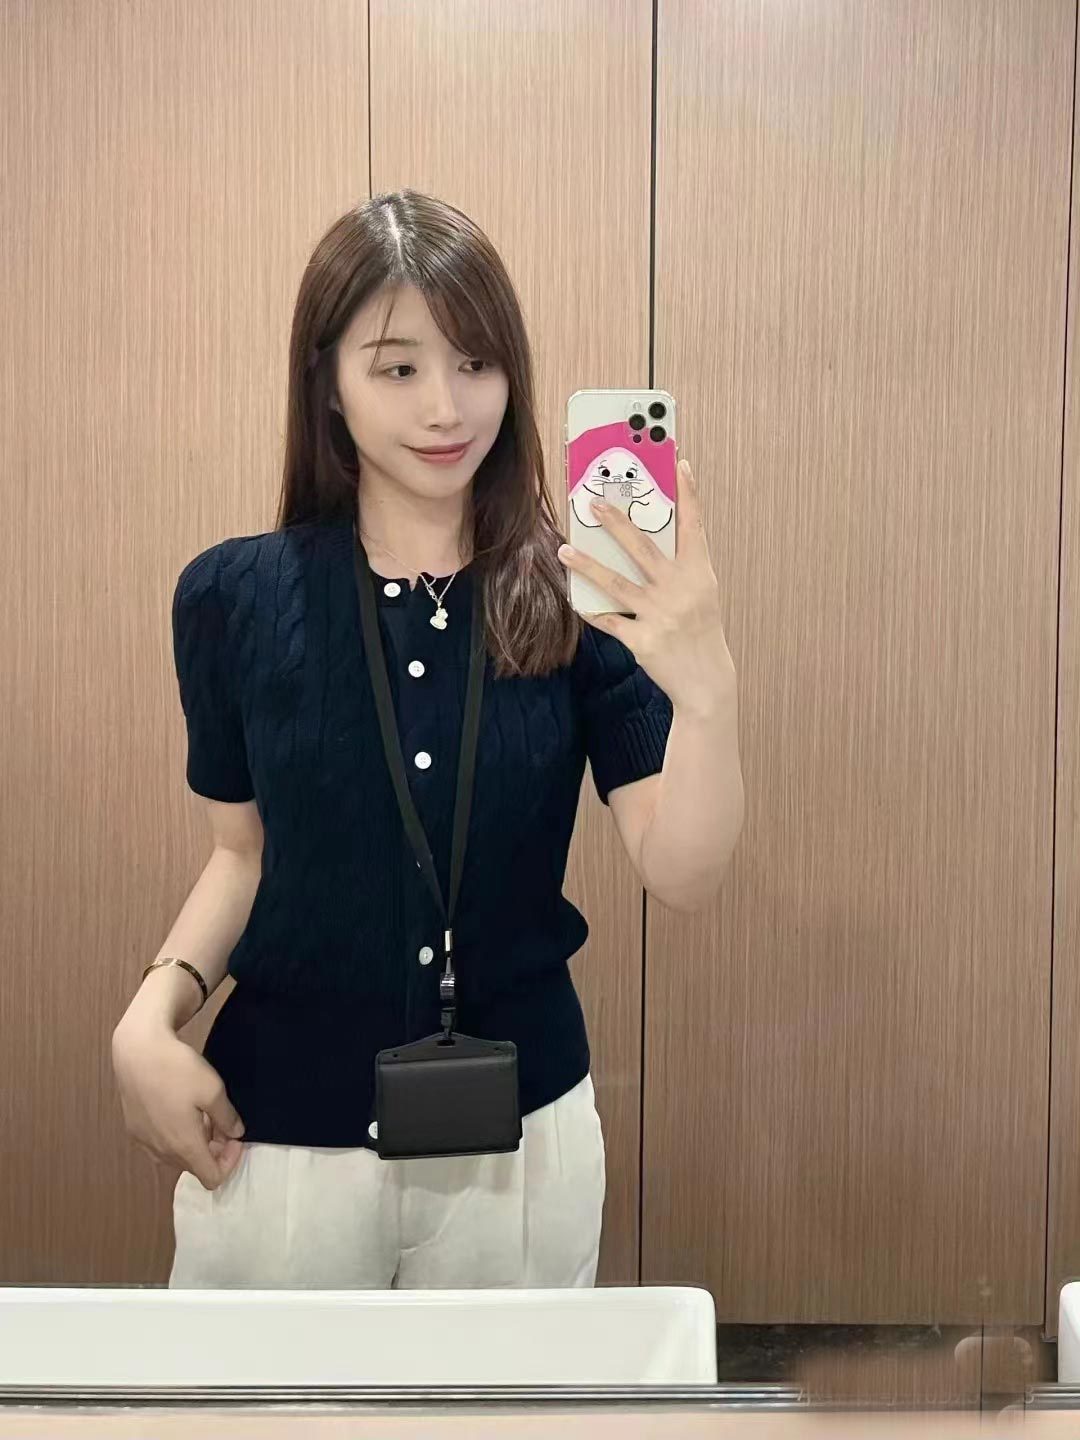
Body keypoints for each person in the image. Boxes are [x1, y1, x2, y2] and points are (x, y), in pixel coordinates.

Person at [111, 190, 743, 1290]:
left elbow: (683, 874)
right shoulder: (232, 597)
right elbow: (242, 855)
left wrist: (710, 690)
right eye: (397, 368)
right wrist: (149, 1016)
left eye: (476, 363)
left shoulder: (582, 599)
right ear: (329, 383)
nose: (446, 407)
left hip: (521, 1142)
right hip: (279, 1139)